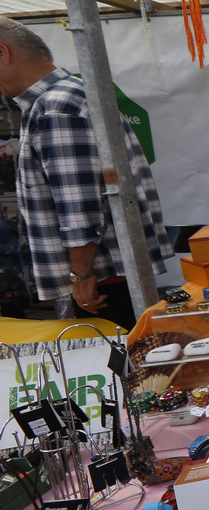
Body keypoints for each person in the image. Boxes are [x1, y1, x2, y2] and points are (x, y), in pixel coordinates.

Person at [0, 16, 172, 329]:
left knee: (119, 355)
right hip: (109, 271)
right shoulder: (69, 95)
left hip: (101, 278)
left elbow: (77, 204)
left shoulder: (56, 106)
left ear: (3, 52)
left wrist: (81, 275)